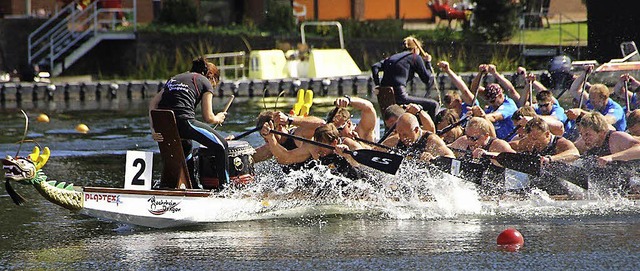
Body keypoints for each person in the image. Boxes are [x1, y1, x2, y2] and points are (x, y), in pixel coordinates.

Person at [149, 57, 229, 183]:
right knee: (222, 146)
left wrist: (154, 129)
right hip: (184, 123)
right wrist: (218, 118)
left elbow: (154, 103)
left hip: (165, 126)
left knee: (187, 146)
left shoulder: (175, 78)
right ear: (212, 77)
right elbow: (208, 117)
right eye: (214, 84)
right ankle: (226, 189)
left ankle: (191, 186)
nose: (213, 86)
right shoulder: (205, 82)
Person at [260, 122, 366, 180]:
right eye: (317, 143)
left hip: (355, 182)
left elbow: (363, 163)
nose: (318, 149)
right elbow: (286, 158)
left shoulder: (347, 144)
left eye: (322, 144)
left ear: (334, 143)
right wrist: (271, 138)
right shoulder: (312, 147)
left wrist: (347, 155)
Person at [371, 36, 439, 118]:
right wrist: (428, 63)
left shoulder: (392, 58)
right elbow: (427, 79)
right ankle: (432, 129)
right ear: (415, 49)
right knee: (434, 105)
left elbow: (375, 66)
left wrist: (378, 86)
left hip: (386, 98)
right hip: (400, 97)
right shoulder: (415, 56)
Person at [251, 110, 325, 164]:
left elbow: (322, 125)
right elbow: (250, 158)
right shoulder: (270, 145)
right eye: (263, 135)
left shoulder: (298, 134)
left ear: (280, 127)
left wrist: (289, 120)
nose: (265, 139)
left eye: (266, 134)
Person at [575, 112, 640, 166]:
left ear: (601, 132)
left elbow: (638, 149)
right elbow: (572, 150)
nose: (584, 138)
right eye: (581, 134)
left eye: (588, 134)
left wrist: (611, 157)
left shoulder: (616, 138)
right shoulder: (584, 142)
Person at [383, 113, 454, 161]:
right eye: (400, 134)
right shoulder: (396, 139)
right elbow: (376, 150)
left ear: (416, 130)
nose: (402, 138)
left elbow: (451, 157)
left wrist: (433, 158)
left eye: (405, 135)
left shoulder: (431, 140)